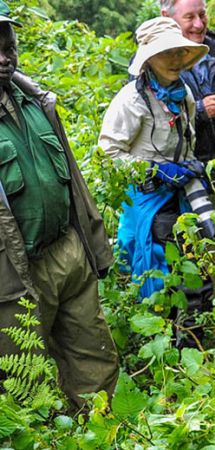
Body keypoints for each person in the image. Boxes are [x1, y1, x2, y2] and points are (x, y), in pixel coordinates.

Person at [0, 1, 118, 410]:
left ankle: (98, 431)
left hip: (68, 251)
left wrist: (95, 247)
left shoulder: (35, 103)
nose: (4, 59)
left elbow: (74, 183)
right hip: (13, 273)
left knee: (95, 361)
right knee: (20, 383)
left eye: (9, 47)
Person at [99, 17, 213, 346]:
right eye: (167, 53)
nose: (175, 60)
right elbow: (107, 153)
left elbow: (187, 140)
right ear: (149, 58)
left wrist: (188, 167)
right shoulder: (131, 100)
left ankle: (192, 338)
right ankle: (156, 342)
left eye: (179, 52)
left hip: (181, 194)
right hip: (147, 198)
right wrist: (153, 169)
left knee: (194, 262)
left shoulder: (183, 94)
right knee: (153, 267)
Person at [160, 0, 215, 163]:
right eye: (189, 17)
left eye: (202, 15)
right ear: (166, 17)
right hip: (176, 167)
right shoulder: (153, 60)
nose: (199, 24)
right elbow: (154, 123)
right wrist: (200, 110)